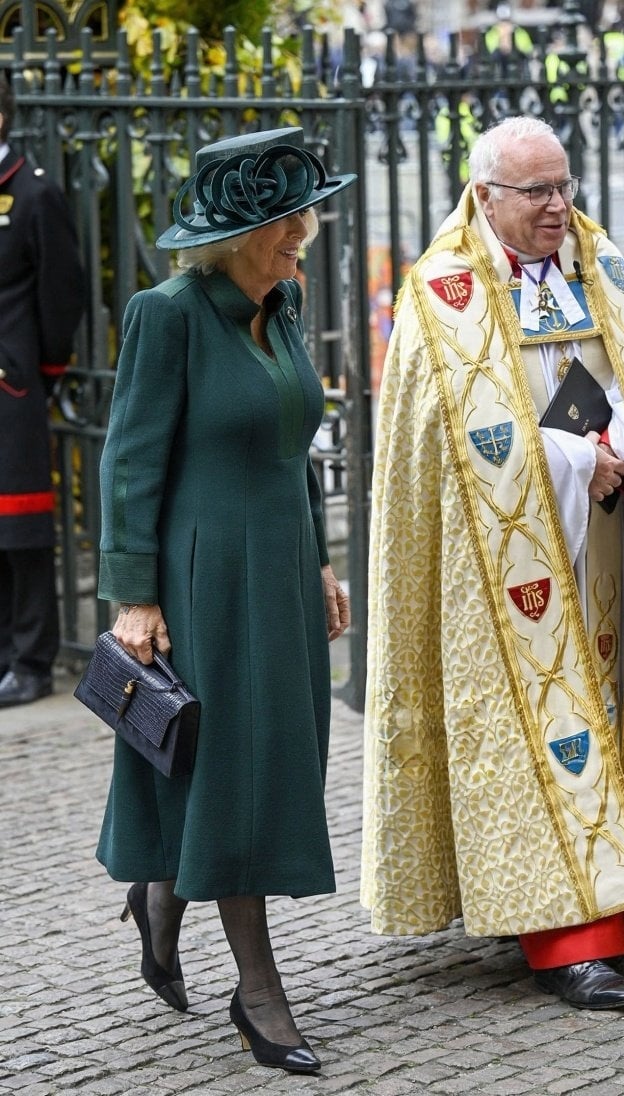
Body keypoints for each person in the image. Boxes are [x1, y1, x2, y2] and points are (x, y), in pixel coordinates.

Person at [361, 116, 624, 1011]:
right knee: (542, 720)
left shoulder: (601, 266)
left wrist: (621, 448)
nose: (559, 206)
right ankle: (568, 935)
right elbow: (446, 448)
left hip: (607, 541)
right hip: (505, 573)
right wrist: (568, 461)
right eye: (538, 192)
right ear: (486, 197)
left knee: (611, 701)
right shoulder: (440, 295)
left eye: (565, 186)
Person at [95, 127, 354, 1072]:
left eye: (304, 217)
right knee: (233, 765)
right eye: (285, 221)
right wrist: (132, 596)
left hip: (280, 567)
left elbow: (294, 448)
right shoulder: (166, 315)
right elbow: (129, 459)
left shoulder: (282, 303)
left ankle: (162, 897)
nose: (302, 235)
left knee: (267, 757)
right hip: (202, 577)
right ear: (235, 234)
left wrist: (319, 562)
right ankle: (259, 993)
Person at [0, 73, 84, 708]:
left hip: (11, 390)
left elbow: (61, 294)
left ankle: (30, 661)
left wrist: (41, 374)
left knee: (21, 535)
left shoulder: (32, 193)